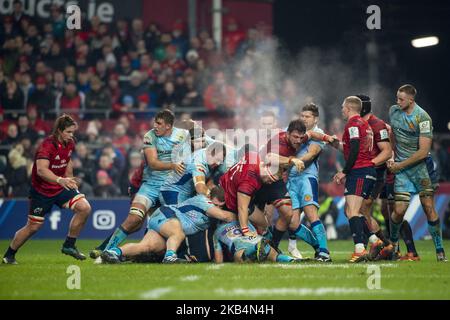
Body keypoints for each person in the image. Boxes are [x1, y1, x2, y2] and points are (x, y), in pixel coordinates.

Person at [2, 114, 92, 264]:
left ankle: (69, 245)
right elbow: (41, 171)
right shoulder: (47, 146)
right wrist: (60, 179)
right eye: (69, 132)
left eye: (73, 132)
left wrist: (69, 178)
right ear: (59, 130)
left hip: (61, 186)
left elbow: (67, 160)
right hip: (42, 191)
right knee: (33, 227)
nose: (71, 135)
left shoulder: (70, 143)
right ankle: (9, 255)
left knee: (85, 208)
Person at [97, 110, 188, 255]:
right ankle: (106, 251)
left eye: (159, 123)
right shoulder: (149, 136)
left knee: (170, 224)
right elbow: (152, 163)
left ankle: (164, 253)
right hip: (150, 186)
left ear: (168, 126)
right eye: (155, 122)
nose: (155, 126)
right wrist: (173, 165)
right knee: (134, 219)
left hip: (171, 188)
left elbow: (201, 141)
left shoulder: (183, 134)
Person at [382, 84, 447, 262]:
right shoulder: (394, 111)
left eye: (401, 99)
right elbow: (393, 135)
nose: (397, 101)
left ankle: (440, 251)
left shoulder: (423, 117)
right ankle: (394, 245)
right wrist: (392, 153)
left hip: (421, 169)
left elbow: (423, 151)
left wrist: (400, 164)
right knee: (399, 209)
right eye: (397, 98)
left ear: (411, 99)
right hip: (402, 169)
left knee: (428, 207)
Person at [102, 187, 236, 263]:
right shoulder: (202, 200)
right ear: (209, 198)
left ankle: (113, 252)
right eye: (215, 204)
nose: (217, 207)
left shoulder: (210, 209)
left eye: (220, 206)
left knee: (146, 246)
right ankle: (170, 257)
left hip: (162, 221)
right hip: (168, 214)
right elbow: (225, 216)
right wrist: (243, 216)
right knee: (178, 233)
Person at [331, 96, 381, 263]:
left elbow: (354, 149)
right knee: (350, 211)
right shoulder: (365, 125)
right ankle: (375, 241)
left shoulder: (353, 124)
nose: (341, 110)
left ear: (350, 108)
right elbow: (351, 148)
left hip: (359, 171)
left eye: (343, 107)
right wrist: (332, 142)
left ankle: (360, 250)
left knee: (353, 211)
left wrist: (344, 171)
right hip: (366, 170)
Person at [286, 103, 331, 262]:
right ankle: (318, 246)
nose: (304, 119)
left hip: (307, 178)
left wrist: (295, 160)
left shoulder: (318, 134)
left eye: (308, 117)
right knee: (292, 223)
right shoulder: (297, 131)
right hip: (291, 179)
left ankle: (325, 252)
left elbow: (312, 154)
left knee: (312, 214)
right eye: (302, 116)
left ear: (316, 119)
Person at [213, 220, 298, 263]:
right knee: (275, 257)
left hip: (239, 243)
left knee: (240, 257)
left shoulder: (217, 231)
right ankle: (292, 260)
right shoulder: (245, 221)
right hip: (257, 239)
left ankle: (255, 248)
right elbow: (253, 233)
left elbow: (219, 259)